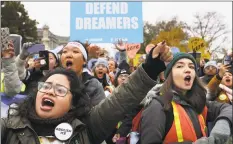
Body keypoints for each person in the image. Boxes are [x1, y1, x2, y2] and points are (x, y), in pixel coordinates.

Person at [2, 41, 173, 144]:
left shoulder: (85, 127)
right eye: (45, 87)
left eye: (60, 90)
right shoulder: (10, 125)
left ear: (73, 102)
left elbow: (121, 99)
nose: (50, 92)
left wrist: (151, 66)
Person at [140, 52, 232, 144]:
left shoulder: (198, 101)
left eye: (191, 67)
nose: (188, 70)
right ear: (168, 75)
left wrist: (223, 123)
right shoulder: (157, 106)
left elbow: (227, 108)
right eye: (180, 66)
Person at [60, 41, 106, 106]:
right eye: (65, 52)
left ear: (84, 61)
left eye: (75, 51)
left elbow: (100, 113)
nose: (68, 55)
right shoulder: (52, 81)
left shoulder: (93, 85)